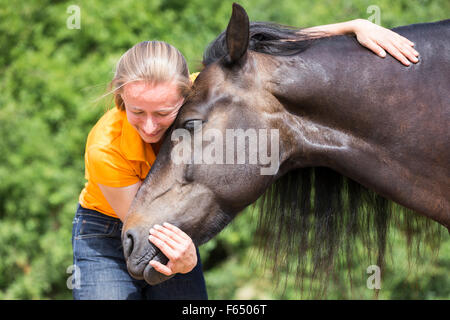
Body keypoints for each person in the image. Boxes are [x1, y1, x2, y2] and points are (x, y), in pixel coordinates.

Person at [71, 18, 419, 300]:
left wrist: (352, 26)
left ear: (187, 93)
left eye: (163, 113)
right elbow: (145, 224)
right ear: (120, 96)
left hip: (173, 229)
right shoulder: (105, 147)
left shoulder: (202, 95)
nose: (149, 125)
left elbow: (271, 57)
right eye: (137, 111)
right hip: (114, 229)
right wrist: (185, 259)